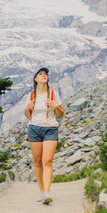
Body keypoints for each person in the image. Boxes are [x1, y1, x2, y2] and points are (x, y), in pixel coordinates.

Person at [24, 67, 64, 204]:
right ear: (35, 79)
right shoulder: (31, 96)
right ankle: (41, 191)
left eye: (45, 74)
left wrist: (54, 105)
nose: (44, 76)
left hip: (50, 129)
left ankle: (47, 192)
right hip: (34, 129)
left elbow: (61, 114)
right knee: (37, 161)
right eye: (40, 74)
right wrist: (27, 107)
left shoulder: (54, 94)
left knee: (47, 161)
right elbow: (28, 115)